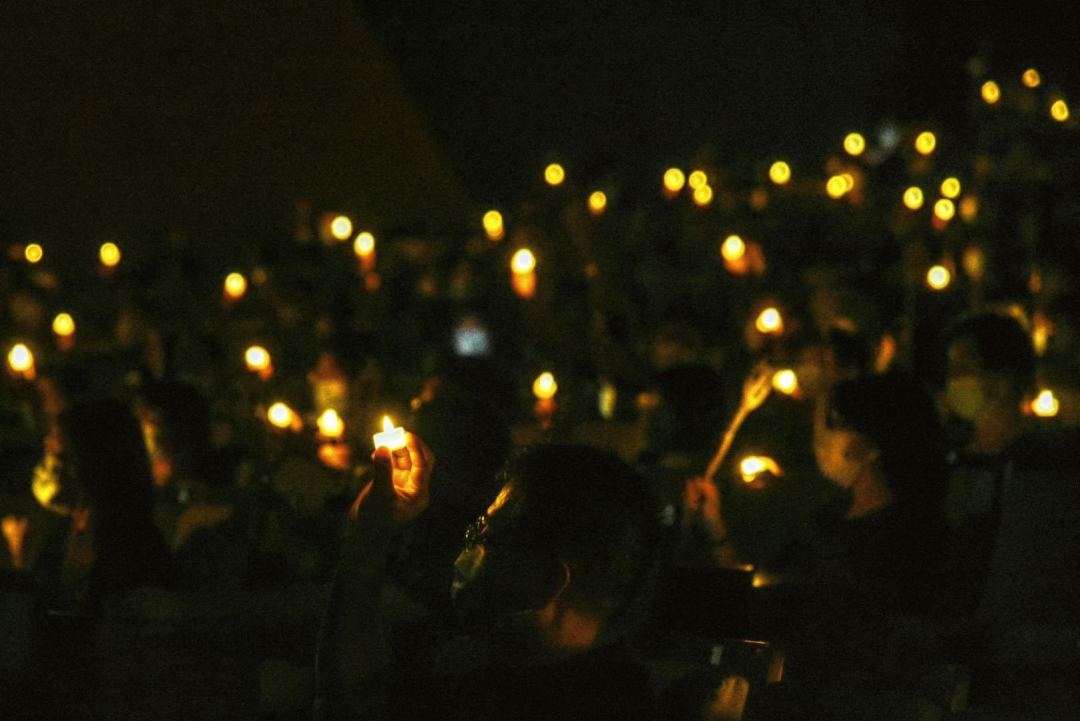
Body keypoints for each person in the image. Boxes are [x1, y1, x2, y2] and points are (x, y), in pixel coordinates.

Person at [316, 438, 662, 720]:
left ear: (547, 579)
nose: (464, 548)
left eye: (482, 534)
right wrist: (370, 533)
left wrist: (366, 542)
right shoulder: (492, 669)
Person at [684, 373, 951, 717]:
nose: (821, 438)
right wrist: (715, 526)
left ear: (867, 442)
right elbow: (762, 599)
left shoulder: (908, 539)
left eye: (833, 424)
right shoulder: (828, 519)